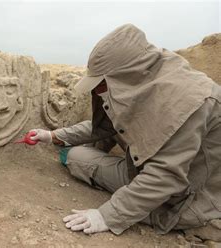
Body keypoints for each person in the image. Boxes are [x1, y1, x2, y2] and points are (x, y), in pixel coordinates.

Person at [30, 24, 221, 242]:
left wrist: (106, 216)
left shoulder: (185, 104)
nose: (97, 91)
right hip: (146, 171)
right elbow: (110, 126)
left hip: (186, 199)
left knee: (75, 159)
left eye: (101, 84)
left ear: (124, 77)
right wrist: (53, 136)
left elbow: (165, 177)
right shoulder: (150, 82)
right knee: (78, 154)